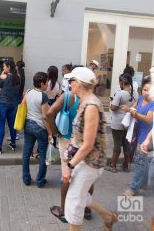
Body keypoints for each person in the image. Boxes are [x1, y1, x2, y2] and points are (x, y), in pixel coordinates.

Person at [63, 67, 118, 230]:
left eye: (71, 81)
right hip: (84, 159)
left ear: (79, 84)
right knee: (80, 195)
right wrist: (70, 149)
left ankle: (107, 217)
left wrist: (69, 166)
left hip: (90, 162)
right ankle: (109, 217)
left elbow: (88, 144)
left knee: (73, 203)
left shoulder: (91, 106)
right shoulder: (85, 102)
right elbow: (80, 138)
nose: (69, 84)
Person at [48, 74, 94, 223]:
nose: (70, 83)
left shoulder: (68, 96)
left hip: (68, 141)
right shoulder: (91, 99)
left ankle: (63, 210)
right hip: (86, 141)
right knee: (87, 177)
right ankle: (86, 209)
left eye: (72, 80)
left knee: (67, 175)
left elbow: (49, 113)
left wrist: (55, 132)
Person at [122, 76, 154, 197]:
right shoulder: (140, 98)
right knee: (144, 161)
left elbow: (148, 119)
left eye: (150, 90)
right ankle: (143, 183)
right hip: (137, 133)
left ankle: (133, 188)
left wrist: (132, 112)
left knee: (140, 161)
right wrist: (128, 116)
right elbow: (133, 108)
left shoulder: (153, 103)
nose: (146, 92)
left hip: (147, 137)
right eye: (145, 89)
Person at [21, 72, 52, 187]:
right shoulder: (43, 96)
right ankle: (40, 181)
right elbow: (45, 116)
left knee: (26, 152)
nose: (48, 84)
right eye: (47, 82)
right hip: (40, 127)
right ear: (42, 83)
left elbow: (22, 105)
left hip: (28, 125)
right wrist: (50, 133)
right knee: (43, 154)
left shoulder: (28, 92)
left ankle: (26, 179)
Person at [106, 73, 135, 173]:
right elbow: (135, 106)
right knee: (126, 143)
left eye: (119, 82)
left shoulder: (120, 93)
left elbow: (113, 108)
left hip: (118, 122)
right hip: (128, 122)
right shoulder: (135, 93)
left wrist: (115, 103)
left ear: (122, 83)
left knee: (117, 144)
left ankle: (113, 165)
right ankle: (126, 166)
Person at [0, 60, 20, 154]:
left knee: (1, 125)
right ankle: (13, 144)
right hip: (13, 104)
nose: (3, 68)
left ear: (8, 67)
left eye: (4, 66)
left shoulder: (4, 76)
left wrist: (1, 76)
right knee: (12, 125)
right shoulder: (18, 78)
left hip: (2, 103)